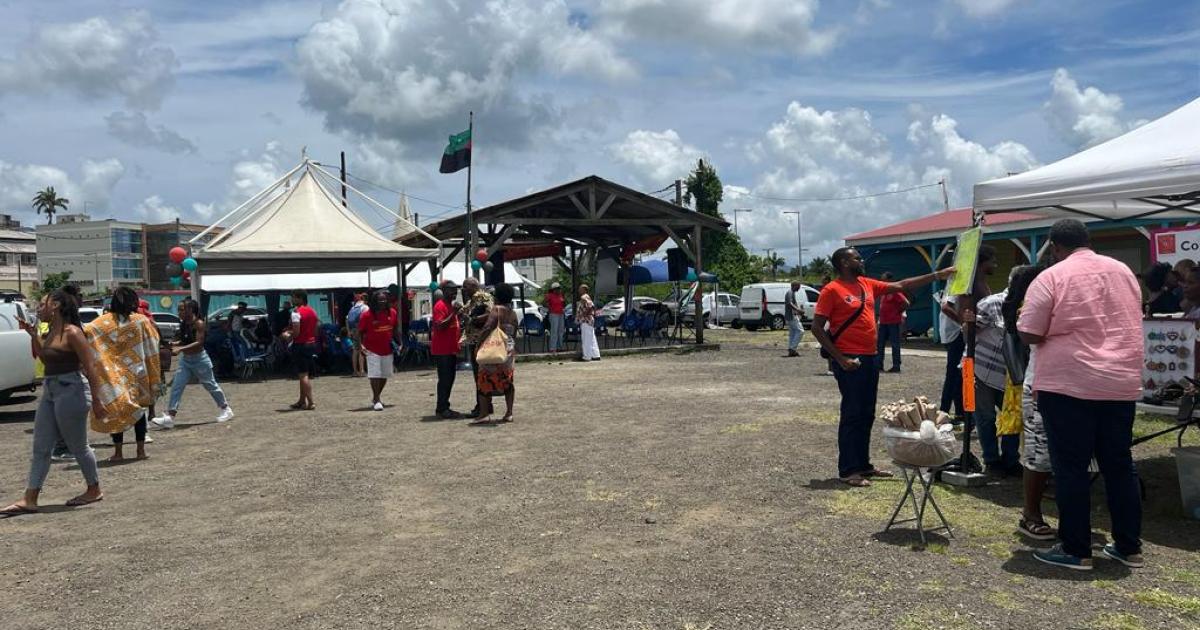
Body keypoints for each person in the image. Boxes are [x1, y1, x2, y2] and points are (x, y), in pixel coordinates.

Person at [1018, 219, 1144, 571]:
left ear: (1055, 246)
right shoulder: (1123, 272)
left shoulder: (1052, 276)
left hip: (1069, 383)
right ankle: (1128, 545)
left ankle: (1076, 548)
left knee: (1070, 467)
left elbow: (1029, 331)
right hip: (1119, 381)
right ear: (1088, 241)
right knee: (1119, 465)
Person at [811, 247, 954, 487]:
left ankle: (863, 465)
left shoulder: (866, 284)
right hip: (850, 360)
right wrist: (840, 359)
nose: (861, 260)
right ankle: (847, 470)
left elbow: (902, 285)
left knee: (866, 413)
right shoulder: (831, 291)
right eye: (856, 257)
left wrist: (938, 274)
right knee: (852, 414)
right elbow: (816, 327)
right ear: (844, 263)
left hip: (870, 357)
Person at [1, 289, 107, 515]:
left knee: (77, 445)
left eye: (43, 304)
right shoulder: (48, 331)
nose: (39, 308)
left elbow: (90, 367)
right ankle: (30, 498)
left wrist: (98, 401)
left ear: (57, 306)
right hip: (50, 389)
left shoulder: (73, 332)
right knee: (41, 446)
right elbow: (44, 358)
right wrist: (33, 335)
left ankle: (94, 488)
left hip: (73, 390)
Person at [1000, 264, 1056, 540]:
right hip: (1034, 380)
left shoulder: (1018, 304)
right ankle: (1031, 512)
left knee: (1030, 437)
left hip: (1026, 378)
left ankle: (1010, 463)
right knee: (1035, 444)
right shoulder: (1029, 306)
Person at [87, 287, 161, 462]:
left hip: (113, 376)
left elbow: (88, 332)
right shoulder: (141, 321)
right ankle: (140, 450)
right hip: (138, 373)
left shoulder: (101, 323)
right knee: (138, 410)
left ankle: (118, 452)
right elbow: (153, 341)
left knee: (118, 410)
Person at [962, 270, 1021, 477]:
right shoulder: (992, 303)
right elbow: (968, 333)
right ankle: (992, 460)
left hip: (1012, 374)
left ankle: (1011, 460)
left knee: (1012, 417)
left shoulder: (1027, 306)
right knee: (985, 417)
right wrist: (968, 321)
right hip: (983, 369)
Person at [151, 299, 234, 429]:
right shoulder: (184, 323)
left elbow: (198, 342)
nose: (179, 312)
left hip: (200, 360)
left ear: (191, 310)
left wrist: (180, 349)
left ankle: (226, 409)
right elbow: (183, 340)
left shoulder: (199, 323)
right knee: (177, 386)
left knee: (210, 385)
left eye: (182, 309)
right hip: (186, 361)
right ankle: (170, 417)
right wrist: (174, 344)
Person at [471, 283, 519, 425]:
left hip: (494, 349)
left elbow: (487, 327)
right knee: (507, 379)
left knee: (484, 379)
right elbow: (514, 332)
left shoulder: (496, 310)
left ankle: (484, 413)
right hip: (507, 349)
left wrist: (479, 345)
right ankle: (509, 413)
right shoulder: (513, 313)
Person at [358, 289, 400, 411]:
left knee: (384, 375)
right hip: (372, 349)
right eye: (379, 300)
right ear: (374, 301)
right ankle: (377, 399)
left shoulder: (392, 312)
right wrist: (361, 346)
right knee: (375, 374)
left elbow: (395, 329)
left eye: (384, 300)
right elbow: (360, 332)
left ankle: (376, 396)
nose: (382, 302)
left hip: (387, 349)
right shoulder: (367, 315)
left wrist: (400, 343)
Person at [460, 277, 494, 416]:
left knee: (481, 375)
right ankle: (483, 404)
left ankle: (483, 406)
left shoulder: (483, 297)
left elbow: (490, 314)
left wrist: (473, 319)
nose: (464, 290)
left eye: (465, 287)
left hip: (482, 340)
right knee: (478, 376)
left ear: (473, 286)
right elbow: (464, 311)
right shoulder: (473, 300)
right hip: (474, 340)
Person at [431, 280, 462, 419]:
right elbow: (439, 326)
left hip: (451, 349)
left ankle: (445, 406)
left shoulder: (450, 305)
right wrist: (453, 313)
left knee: (450, 379)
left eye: (456, 290)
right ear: (444, 291)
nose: (454, 293)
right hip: (442, 350)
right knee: (444, 379)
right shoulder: (440, 306)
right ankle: (441, 408)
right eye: (451, 290)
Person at [286, 289, 319, 411]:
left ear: (300, 298)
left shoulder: (296, 312)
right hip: (311, 343)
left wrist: (287, 335)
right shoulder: (312, 311)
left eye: (293, 297)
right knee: (304, 374)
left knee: (303, 374)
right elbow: (316, 328)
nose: (291, 299)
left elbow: (296, 332)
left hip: (300, 345)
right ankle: (301, 400)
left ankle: (310, 402)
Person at [938, 292, 965, 422]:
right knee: (954, 374)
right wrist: (964, 322)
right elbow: (945, 307)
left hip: (951, 333)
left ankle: (960, 413)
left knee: (958, 376)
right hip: (956, 334)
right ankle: (943, 411)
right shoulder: (956, 285)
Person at [875, 272, 909, 372]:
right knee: (880, 344)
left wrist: (897, 312)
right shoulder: (883, 292)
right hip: (883, 322)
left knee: (895, 344)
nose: (881, 281)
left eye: (883, 280)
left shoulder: (895, 291)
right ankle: (879, 365)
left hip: (893, 322)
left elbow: (906, 303)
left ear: (889, 280)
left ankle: (896, 365)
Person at [577, 284, 600, 362]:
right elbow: (592, 307)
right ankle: (595, 355)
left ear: (584, 290)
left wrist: (585, 314)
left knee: (586, 339)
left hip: (586, 320)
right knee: (592, 338)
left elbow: (590, 306)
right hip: (589, 320)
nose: (579, 290)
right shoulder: (588, 296)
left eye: (580, 289)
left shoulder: (583, 297)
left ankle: (587, 356)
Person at [347, 293, 368, 377]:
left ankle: (355, 371)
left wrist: (349, 331)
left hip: (353, 330)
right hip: (361, 330)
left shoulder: (352, 308)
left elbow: (347, 319)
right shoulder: (365, 307)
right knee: (361, 349)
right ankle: (362, 371)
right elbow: (367, 319)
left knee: (355, 350)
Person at [784, 281, 804, 357]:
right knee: (800, 331)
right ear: (794, 286)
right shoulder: (790, 292)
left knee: (792, 333)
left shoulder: (792, 293)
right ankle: (792, 348)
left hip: (790, 315)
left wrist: (798, 311)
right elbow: (789, 303)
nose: (799, 288)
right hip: (791, 316)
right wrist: (798, 310)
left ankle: (791, 349)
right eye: (798, 286)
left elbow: (792, 304)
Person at [545, 282, 566, 353]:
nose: (558, 290)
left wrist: (563, 308)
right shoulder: (549, 295)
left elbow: (563, 303)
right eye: (557, 289)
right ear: (553, 289)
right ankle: (553, 348)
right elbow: (545, 303)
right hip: (553, 314)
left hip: (561, 314)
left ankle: (560, 347)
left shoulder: (561, 295)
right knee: (554, 331)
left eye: (559, 288)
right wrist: (550, 308)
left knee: (561, 331)